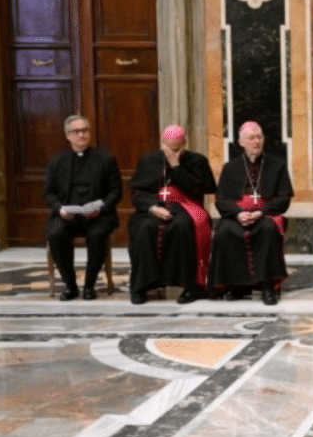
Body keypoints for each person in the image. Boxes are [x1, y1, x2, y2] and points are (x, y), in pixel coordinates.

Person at [127, 125, 217, 305]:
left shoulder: (197, 160)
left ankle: (190, 286)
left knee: (182, 227)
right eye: (169, 147)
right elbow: (137, 191)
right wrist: (152, 208)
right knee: (144, 228)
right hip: (152, 208)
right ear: (162, 141)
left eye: (177, 147)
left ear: (184, 141)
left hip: (185, 207)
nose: (172, 151)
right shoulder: (149, 159)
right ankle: (141, 286)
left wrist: (176, 165)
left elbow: (200, 188)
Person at [209, 121, 293, 305]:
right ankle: (236, 286)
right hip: (238, 214)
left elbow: (284, 198)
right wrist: (238, 213)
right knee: (224, 232)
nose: (256, 141)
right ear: (241, 142)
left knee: (268, 231)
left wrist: (260, 212)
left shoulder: (277, 165)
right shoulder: (230, 168)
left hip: (266, 214)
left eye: (259, 137)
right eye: (251, 138)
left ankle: (269, 286)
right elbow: (221, 200)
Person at [43, 115, 123, 301]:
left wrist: (101, 207)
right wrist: (60, 209)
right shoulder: (57, 161)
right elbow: (48, 193)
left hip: (97, 214)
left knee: (97, 235)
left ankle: (89, 285)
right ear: (67, 135)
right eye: (76, 132)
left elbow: (116, 191)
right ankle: (70, 286)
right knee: (55, 234)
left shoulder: (105, 159)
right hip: (67, 215)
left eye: (85, 131)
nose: (81, 135)